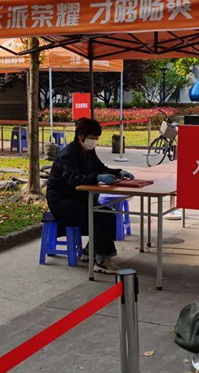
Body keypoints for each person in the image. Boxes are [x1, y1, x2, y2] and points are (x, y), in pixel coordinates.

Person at [46, 117, 134, 272]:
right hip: (62, 201)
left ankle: (90, 251)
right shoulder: (68, 154)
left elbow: (100, 167)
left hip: (78, 198)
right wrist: (97, 178)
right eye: (92, 138)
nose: (94, 141)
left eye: (96, 138)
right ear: (81, 136)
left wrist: (119, 173)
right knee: (101, 216)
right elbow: (74, 179)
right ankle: (101, 260)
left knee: (108, 214)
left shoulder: (88, 151)